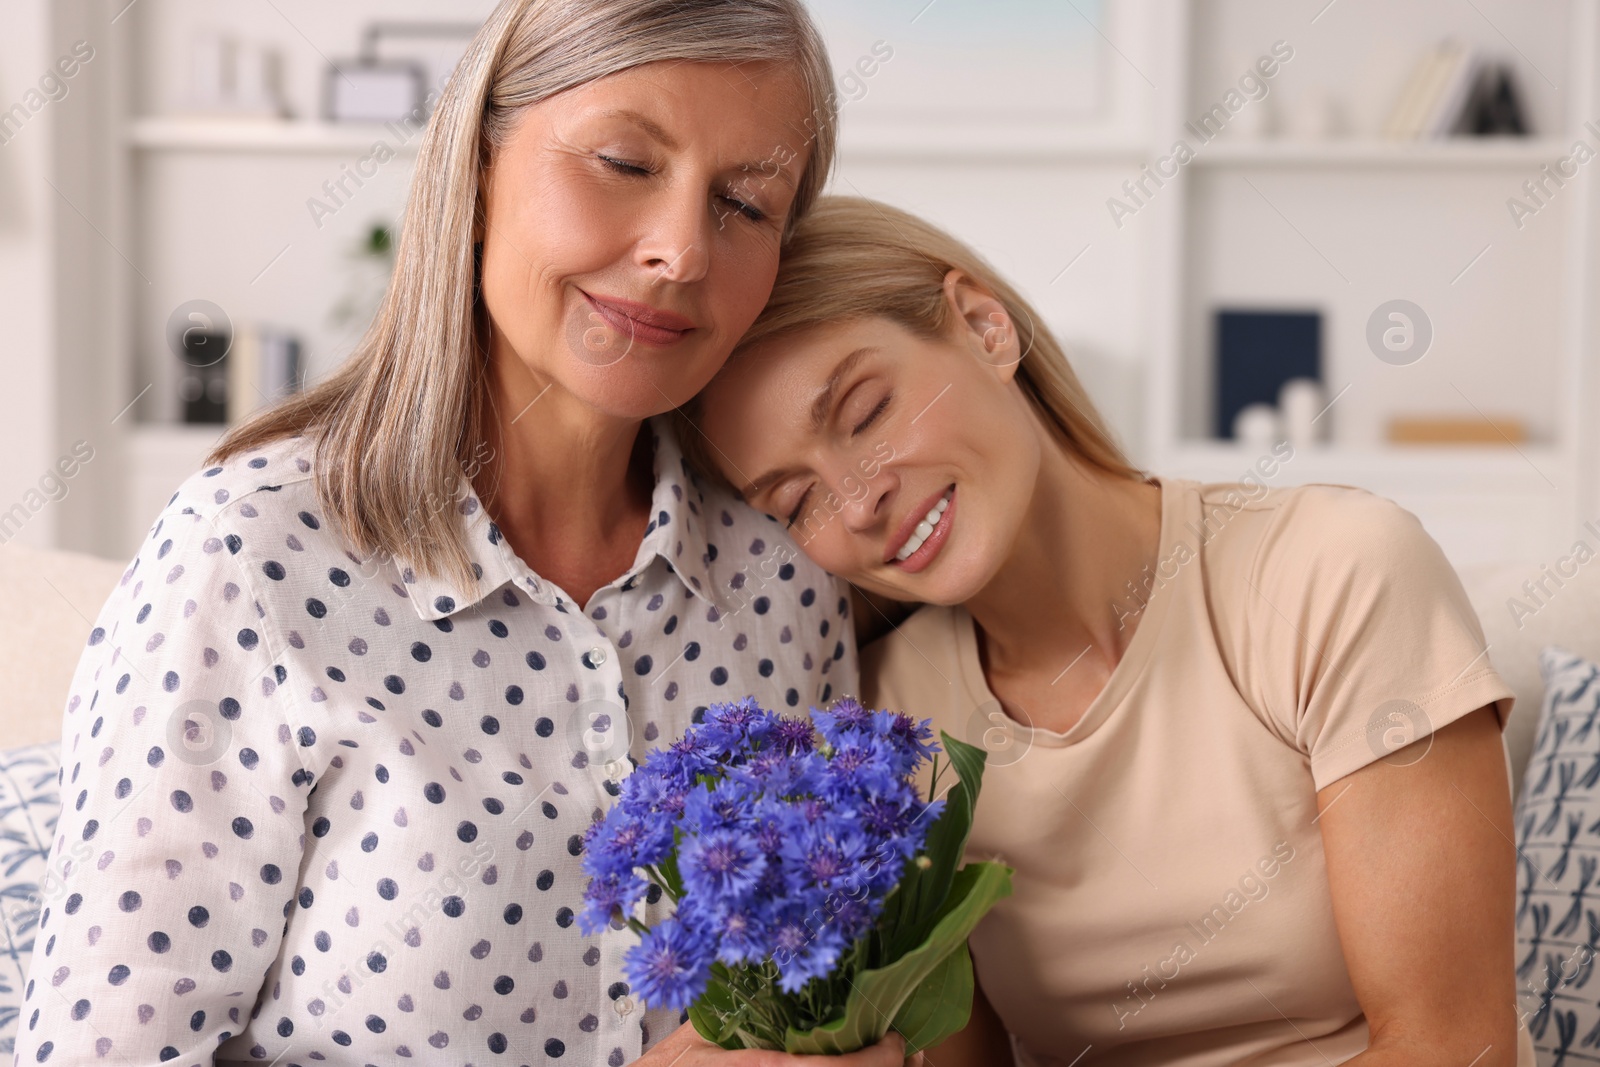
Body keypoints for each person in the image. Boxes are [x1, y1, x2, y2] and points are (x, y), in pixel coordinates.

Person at [19, 6, 913, 1065]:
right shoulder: (248, 553)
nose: (679, 250)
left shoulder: (783, 585)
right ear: (478, 166)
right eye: (625, 162)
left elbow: (837, 998)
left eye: (743, 204)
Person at [678, 195, 1534, 1066]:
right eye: (797, 501)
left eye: (864, 412)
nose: (859, 503)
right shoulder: (889, 730)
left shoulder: (1334, 572)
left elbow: (1457, 1047)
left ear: (983, 327)